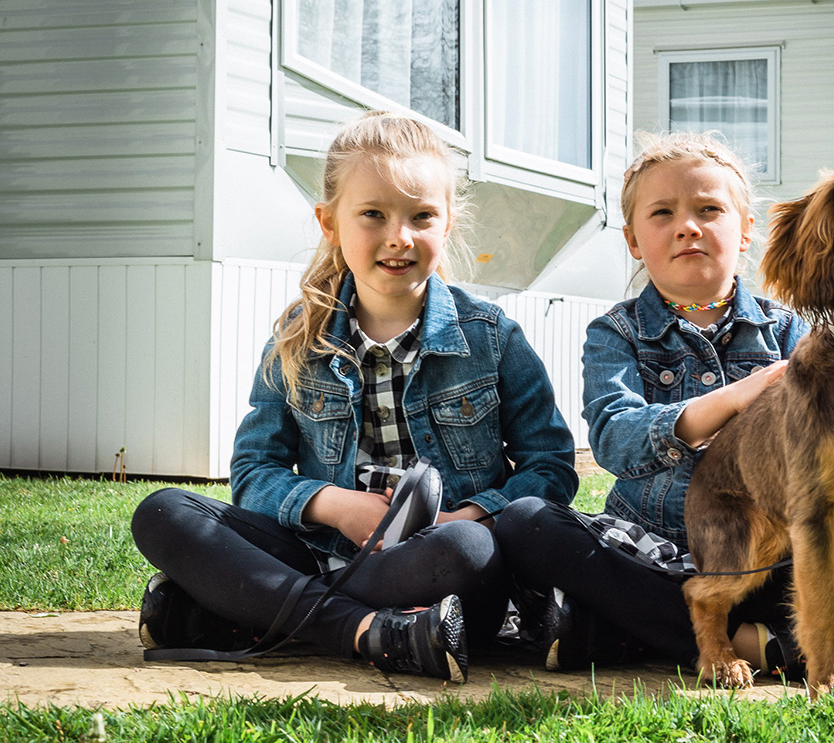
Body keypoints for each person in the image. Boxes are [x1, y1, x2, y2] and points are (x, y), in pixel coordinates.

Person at [132, 111, 578, 683]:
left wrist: (469, 515)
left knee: (467, 547)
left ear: (447, 223)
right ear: (330, 223)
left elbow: (550, 468)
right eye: (373, 214)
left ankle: (252, 606)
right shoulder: (299, 336)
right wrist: (335, 506)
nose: (399, 237)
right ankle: (371, 631)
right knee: (164, 512)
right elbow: (254, 472)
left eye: (422, 216)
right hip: (319, 551)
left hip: (440, 567)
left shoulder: (492, 338)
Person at [495, 131, 834, 682]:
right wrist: (733, 399)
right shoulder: (615, 333)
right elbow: (615, 438)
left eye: (709, 209)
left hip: (767, 554)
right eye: (662, 213)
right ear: (633, 240)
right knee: (526, 523)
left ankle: (622, 631)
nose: (687, 226)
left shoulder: (791, 330)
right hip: (650, 549)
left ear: (745, 231)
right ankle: (759, 645)